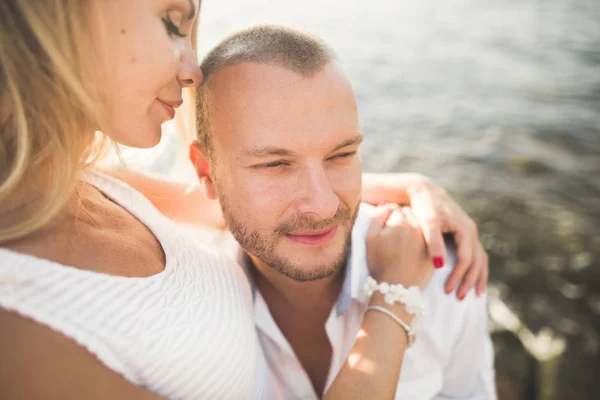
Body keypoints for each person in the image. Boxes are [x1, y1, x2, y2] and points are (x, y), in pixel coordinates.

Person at [0, 1, 486, 399]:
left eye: (343, 153)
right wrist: (394, 300)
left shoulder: (81, 184)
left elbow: (210, 197)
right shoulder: (18, 326)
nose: (192, 68)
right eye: (171, 23)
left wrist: (413, 186)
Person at [188, 25, 497, 399]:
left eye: (341, 155)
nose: (323, 205)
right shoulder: (181, 300)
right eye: (274, 164)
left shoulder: (446, 279)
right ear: (207, 172)